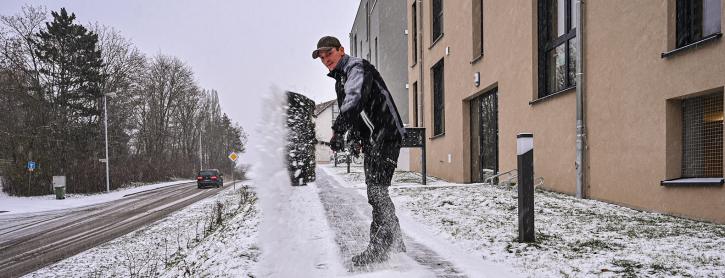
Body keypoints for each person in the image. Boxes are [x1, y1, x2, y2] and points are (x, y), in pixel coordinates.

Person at [313, 36, 407, 266]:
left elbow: (354, 101)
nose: (325, 60)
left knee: (377, 192)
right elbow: (357, 115)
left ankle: (380, 248)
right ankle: (395, 244)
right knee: (375, 191)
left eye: (329, 54)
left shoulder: (357, 67)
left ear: (341, 50)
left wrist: (336, 132)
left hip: (387, 135)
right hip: (374, 139)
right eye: (322, 57)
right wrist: (354, 138)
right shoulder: (339, 80)